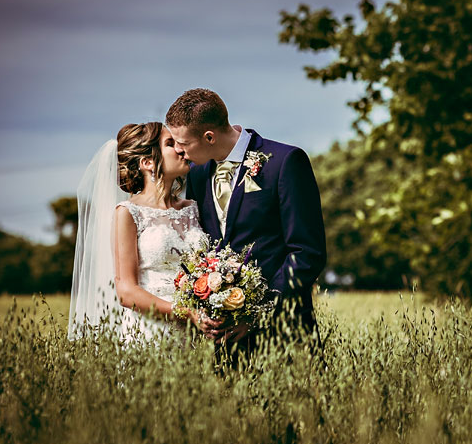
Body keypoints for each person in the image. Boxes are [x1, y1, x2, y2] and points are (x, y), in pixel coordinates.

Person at [165, 88, 327, 357]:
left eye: (182, 142)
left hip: (284, 333)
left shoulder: (285, 162)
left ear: (209, 137)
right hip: (226, 341)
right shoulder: (197, 174)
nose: (179, 150)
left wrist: (259, 313)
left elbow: (307, 251)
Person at [68, 122, 207, 344]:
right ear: (148, 162)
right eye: (170, 143)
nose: (181, 149)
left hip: (197, 333)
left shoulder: (193, 208)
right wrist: (184, 312)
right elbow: (126, 291)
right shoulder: (128, 213)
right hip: (151, 331)